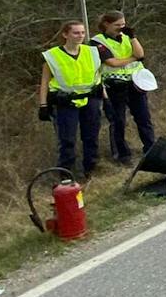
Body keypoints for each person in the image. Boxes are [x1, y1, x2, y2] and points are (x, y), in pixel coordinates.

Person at [37, 21, 108, 177]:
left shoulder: (92, 52)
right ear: (65, 35)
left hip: (90, 100)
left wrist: (105, 98)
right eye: (76, 33)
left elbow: (98, 77)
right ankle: (66, 175)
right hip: (65, 102)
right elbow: (45, 82)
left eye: (82, 32)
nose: (80, 36)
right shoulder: (53, 56)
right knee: (67, 140)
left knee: (91, 137)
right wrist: (43, 105)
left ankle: (91, 171)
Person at [92, 11, 155, 163]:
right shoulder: (97, 42)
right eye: (117, 25)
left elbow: (141, 54)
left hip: (135, 84)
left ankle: (151, 148)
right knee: (118, 121)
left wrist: (133, 37)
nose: (121, 28)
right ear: (106, 24)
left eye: (123, 24)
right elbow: (111, 62)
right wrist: (133, 58)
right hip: (115, 86)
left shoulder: (127, 37)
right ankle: (122, 154)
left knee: (143, 118)